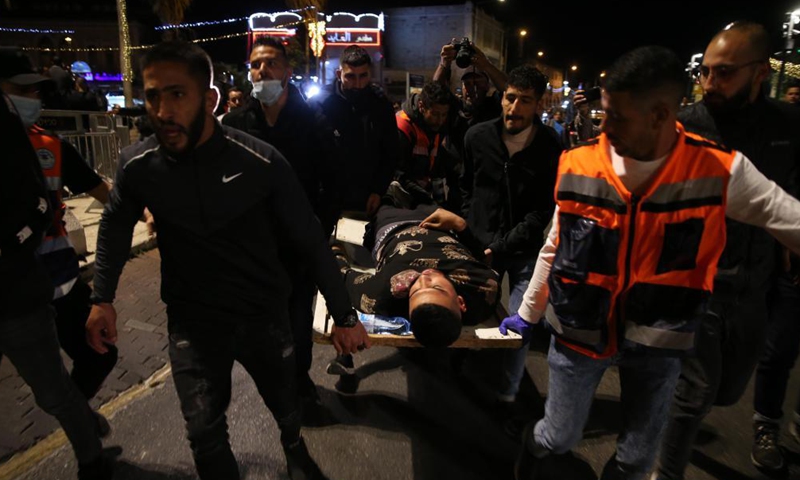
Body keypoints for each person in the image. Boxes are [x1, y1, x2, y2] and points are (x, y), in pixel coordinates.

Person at [504, 45, 800, 480]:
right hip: (579, 333)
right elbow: (555, 245)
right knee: (557, 437)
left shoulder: (718, 171)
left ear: (661, 115)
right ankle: (533, 448)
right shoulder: (579, 162)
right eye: (604, 112)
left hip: (659, 343)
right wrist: (528, 313)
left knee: (636, 461)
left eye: (617, 116)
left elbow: (788, 218)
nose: (605, 127)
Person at [85, 40, 369, 480]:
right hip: (193, 322)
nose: (163, 111)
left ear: (209, 99)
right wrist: (102, 297)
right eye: (153, 95)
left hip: (262, 314)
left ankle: (293, 445)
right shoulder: (138, 165)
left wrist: (345, 315)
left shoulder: (260, 161)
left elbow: (310, 239)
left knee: (285, 405)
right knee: (204, 433)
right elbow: (115, 226)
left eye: (177, 94)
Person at [652, 22, 800, 479]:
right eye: (706, 72)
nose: (710, 82)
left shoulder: (789, 125)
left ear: (760, 72)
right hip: (698, 281)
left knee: (728, 391)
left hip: (758, 283)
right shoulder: (686, 125)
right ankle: (665, 470)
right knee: (696, 391)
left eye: (724, 73)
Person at [223, 36, 342, 409]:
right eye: (256, 65)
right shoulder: (235, 124)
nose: (262, 71)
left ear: (288, 71)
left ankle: (300, 381)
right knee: (259, 320)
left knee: (297, 317)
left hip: (297, 244)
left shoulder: (312, 122)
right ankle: (274, 380)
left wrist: (318, 230)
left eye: (271, 63)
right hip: (253, 246)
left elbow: (332, 183)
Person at [0, 79, 112, 479]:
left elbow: (98, 191)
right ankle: (80, 420)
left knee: (92, 358)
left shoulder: (47, 144)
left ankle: (79, 426)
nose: (33, 99)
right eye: (21, 89)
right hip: (25, 286)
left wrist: (144, 210)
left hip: (45, 280)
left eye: (34, 91)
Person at [460, 64, 562, 404]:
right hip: (479, 244)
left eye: (525, 101)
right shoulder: (477, 137)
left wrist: (502, 245)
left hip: (523, 250)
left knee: (520, 325)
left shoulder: (550, 146)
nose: (514, 108)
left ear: (539, 104)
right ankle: (463, 372)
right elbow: (465, 186)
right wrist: (470, 227)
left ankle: (507, 395)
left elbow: (542, 210)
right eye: (510, 98)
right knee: (469, 314)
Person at [326, 204, 500, 376]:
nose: (424, 278)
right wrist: (460, 225)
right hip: (438, 218)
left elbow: (342, 276)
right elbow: (481, 257)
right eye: (437, 287)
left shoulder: (384, 295)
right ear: (461, 302)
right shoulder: (485, 289)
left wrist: (333, 247)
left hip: (393, 222)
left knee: (388, 197)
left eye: (415, 291)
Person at [308, 44, 399, 217]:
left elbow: (390, 153)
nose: (357, 84)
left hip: (365, 199)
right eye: (350, 76)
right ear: (339, 74)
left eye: (363, 76)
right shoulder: (318, 105)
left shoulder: (380, 106)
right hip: (324, 199)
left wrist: (378, 190)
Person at [394, 82, 454, 208]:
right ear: (421, 106)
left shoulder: (434, 126)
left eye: (444, 115)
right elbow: (399, 175)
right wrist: (430, 204)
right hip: (401, 200)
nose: (440, 120)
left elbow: (436, 169)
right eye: (435, 114)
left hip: (421, 195)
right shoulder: (402, 127)